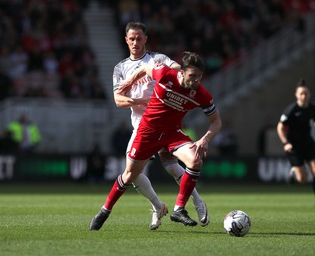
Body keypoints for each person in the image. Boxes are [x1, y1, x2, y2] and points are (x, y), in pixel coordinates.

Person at [89, 51, 222, 231]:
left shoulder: (201, 94)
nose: (195, 81)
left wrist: (204, 140)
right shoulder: (166, 74)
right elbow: (145, 68)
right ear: (181, 73)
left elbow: (216, 121)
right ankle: (104, 211)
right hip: (148, 131)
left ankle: (179, 209)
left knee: (195, 160)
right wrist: (129, 82)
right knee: (130, 175)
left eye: (199, 77)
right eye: (192, 76)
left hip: (172, 133)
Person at [108, 22, 210, 230]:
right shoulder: (120, 68)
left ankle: (197, 202)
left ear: (146, 38)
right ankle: (158, 206)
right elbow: (118, 100)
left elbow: (178, 70)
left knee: (173, 166)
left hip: (167, 121)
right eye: (132, 39)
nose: (136, 42)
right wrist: (140, 102)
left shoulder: (158, 59)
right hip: (141, 125)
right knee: (133, 173)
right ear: (126, 40)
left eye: (139, 38)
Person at [276, 78, 315, 208]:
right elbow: (280, 127)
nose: (304, 96)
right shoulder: (291, 110)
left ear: (309, 94)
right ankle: (294, 172)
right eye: (302, 94)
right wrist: (285, 143)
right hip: (294, 146)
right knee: (302, 179)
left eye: (306, 93)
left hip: (308, 143)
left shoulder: (312, 108)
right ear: (296, 95)